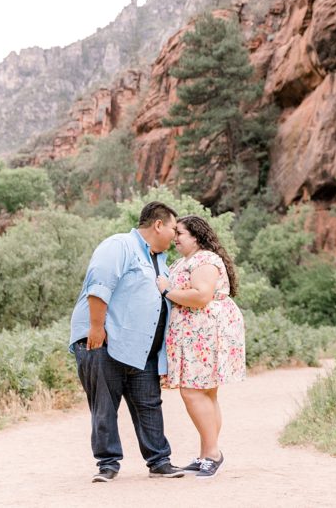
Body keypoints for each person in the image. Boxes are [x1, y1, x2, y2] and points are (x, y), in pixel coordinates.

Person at [68, 201, 187, 483]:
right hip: (105, 343)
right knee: (104, 405)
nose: (175, 235)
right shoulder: (119, 245)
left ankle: (159, 461)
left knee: (149, 403)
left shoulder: (159, 261)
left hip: (142, 350)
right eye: (173, 228)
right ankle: (107, 464)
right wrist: (96, 328)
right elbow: (99, 285)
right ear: (158, 225)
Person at [156, 215, 246, 480]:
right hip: (196, 332)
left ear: (195, 236)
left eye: (180, 234)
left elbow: (201, 296)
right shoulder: (186, 260)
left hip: (205, 331)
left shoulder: (205, 259)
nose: (175, 239)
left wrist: (166, 291)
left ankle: (213, 454)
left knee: (192, 392)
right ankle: (206, 453)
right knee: (206, 394)